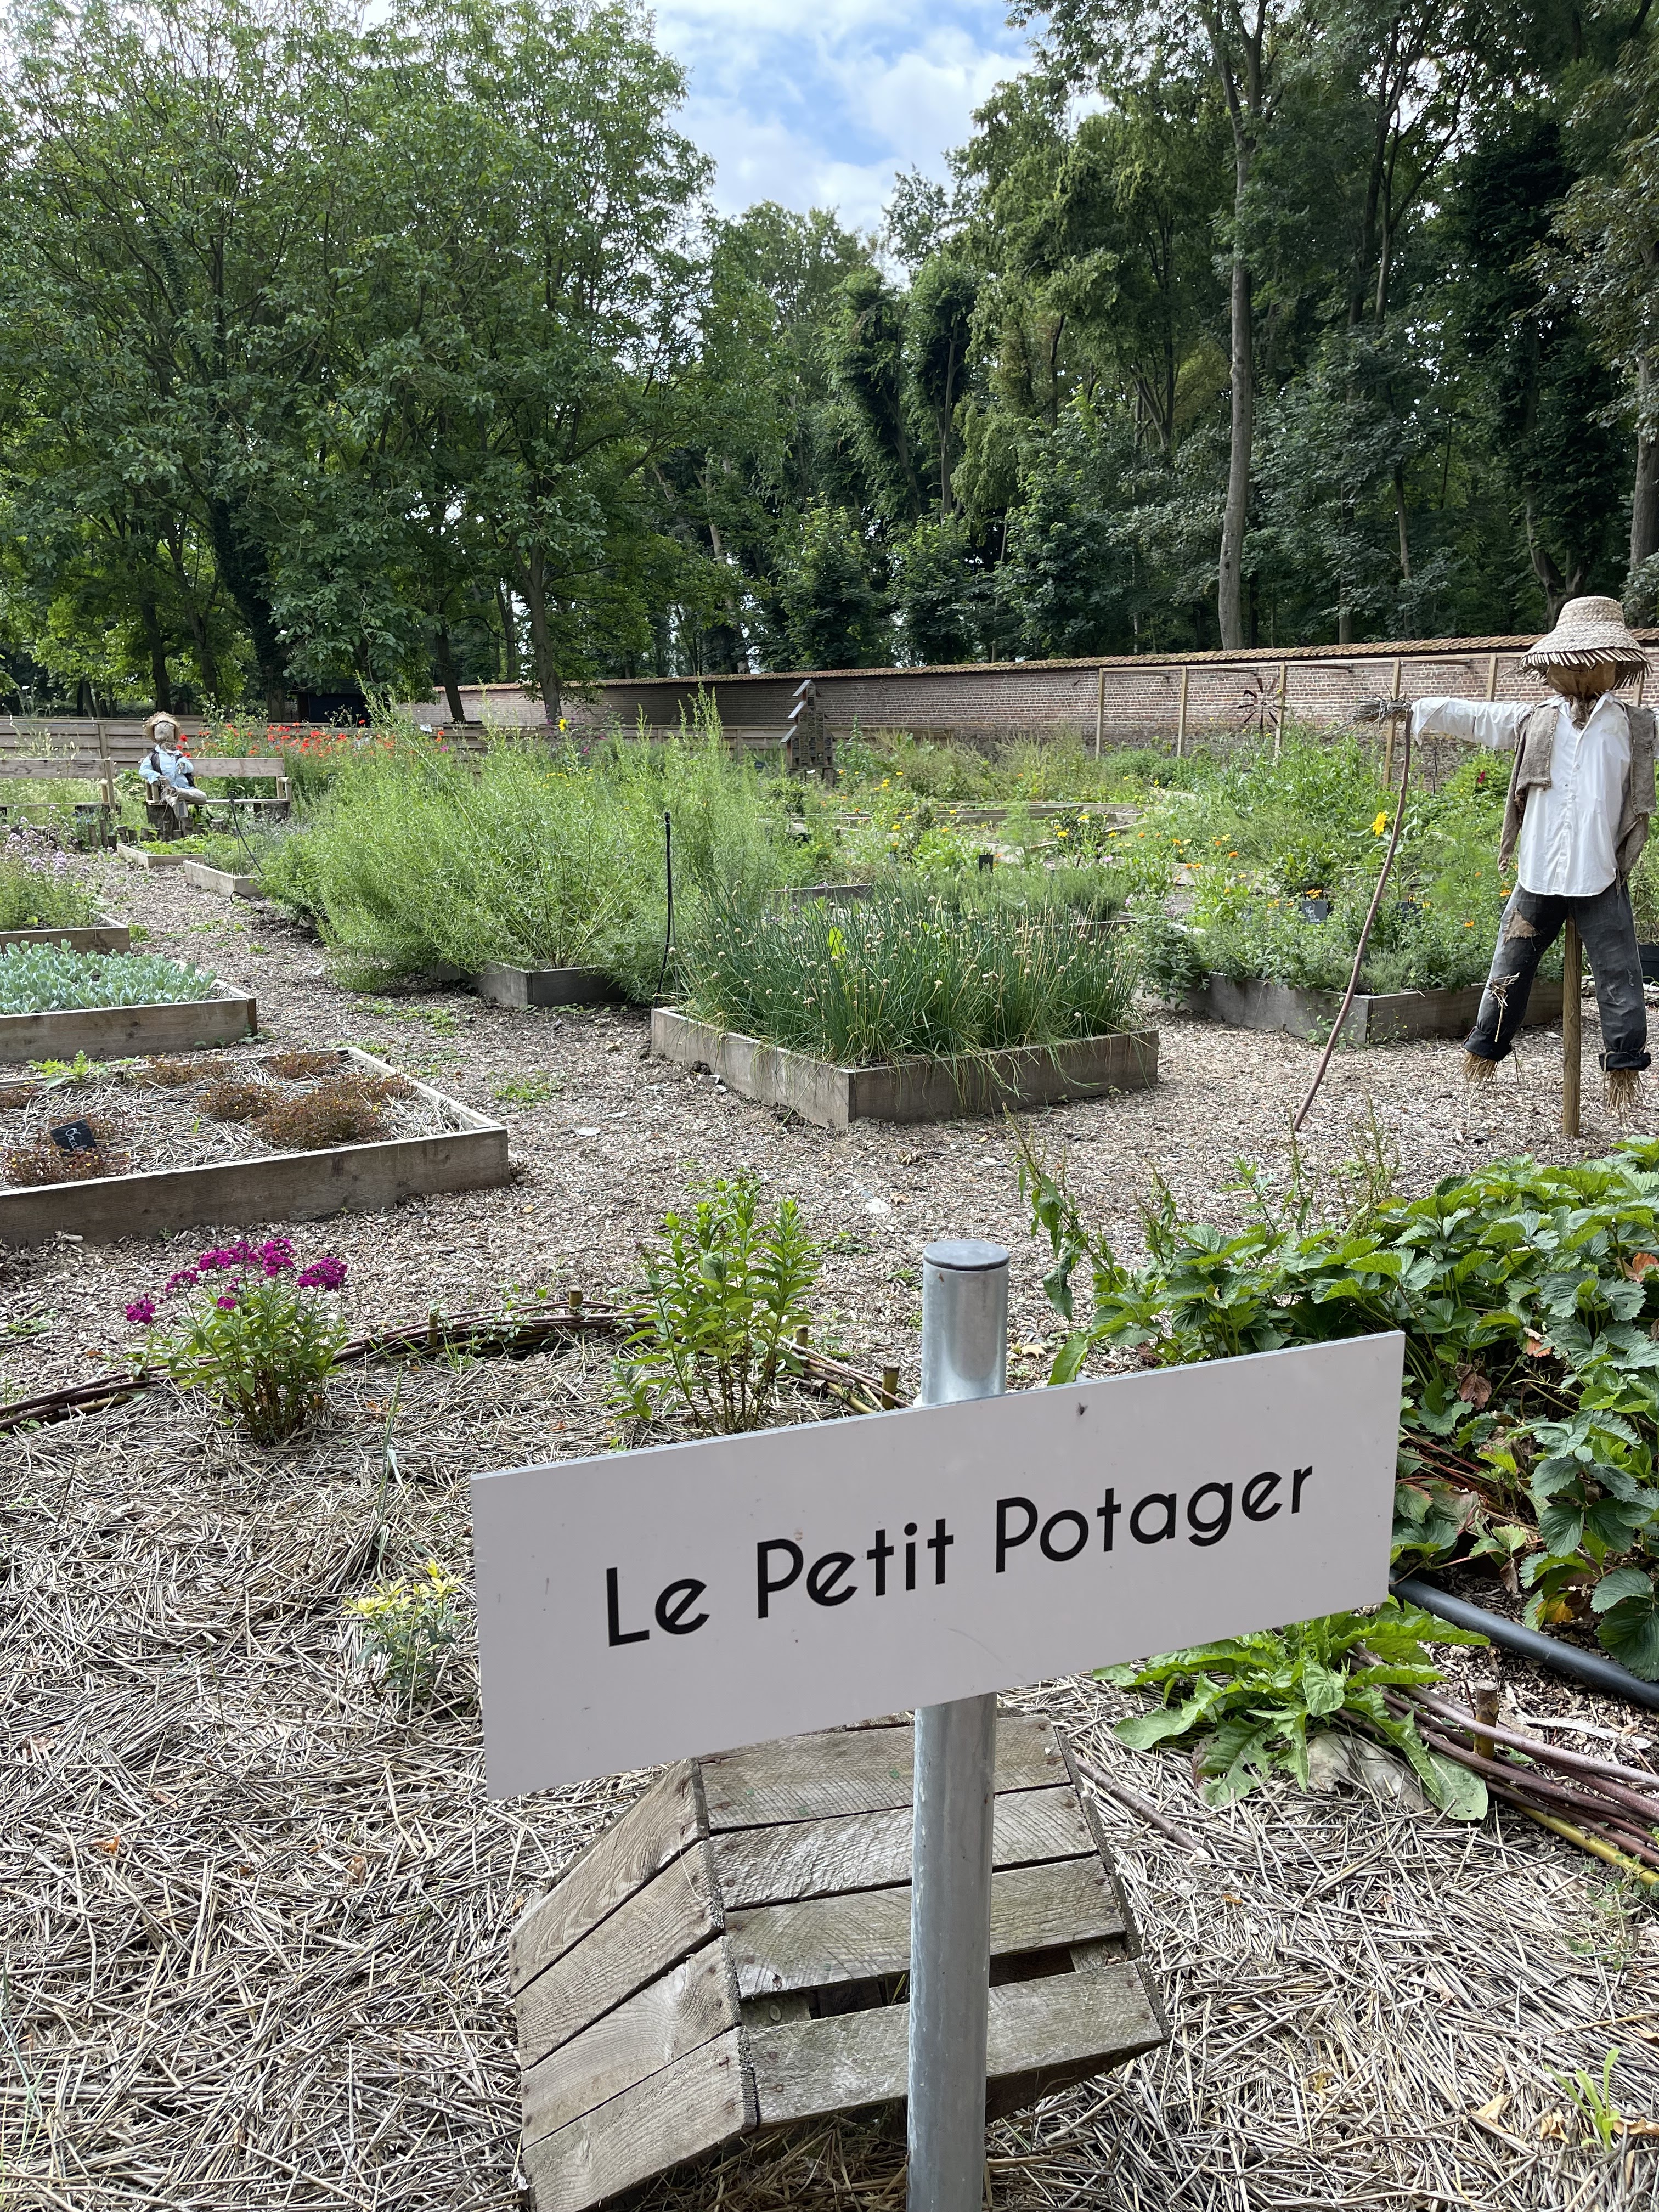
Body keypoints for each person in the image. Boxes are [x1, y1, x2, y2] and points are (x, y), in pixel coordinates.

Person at [1367, 596, 1655, 1107]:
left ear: (1614, 665)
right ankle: (1485, 1050)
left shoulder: (1636, 726)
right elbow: (1475, 716)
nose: (1582, 671)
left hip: (1601, 873)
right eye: (1573, 661)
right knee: (1510, 966)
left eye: (1594, 661)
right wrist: (1412, 710)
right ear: (1555, 666)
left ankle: (1624, 1067)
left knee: (1620, 973)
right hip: (1539, 873)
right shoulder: (1533, 720)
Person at [139, 713, 206, 834]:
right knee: (177, 801)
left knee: (203, 797)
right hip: (167, 791)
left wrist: (182, 764)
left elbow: (189, 768)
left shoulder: (178, 755)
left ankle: (177, 791)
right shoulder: (154, 756)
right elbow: (143, 771)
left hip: (186, 789)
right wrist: (157, 776)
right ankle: (186, 829)